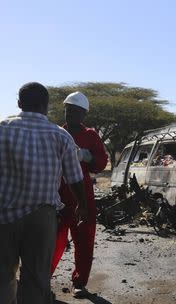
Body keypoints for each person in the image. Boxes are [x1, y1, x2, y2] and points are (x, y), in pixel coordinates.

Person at [0, 82, 87, 304]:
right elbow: (75, 178)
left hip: (4, 216)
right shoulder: (61, 136)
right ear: (46, 106)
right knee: (36, 276)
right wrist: (82, 205)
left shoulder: (2, 129)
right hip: (42, 217)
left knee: (3, 275)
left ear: (19, 104)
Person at [50, 92, 108, 298]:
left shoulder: (91, 136)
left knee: (84, 240)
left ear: (84, 114)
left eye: (76, 111)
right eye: (68, 110)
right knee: (52, 240)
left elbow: (101, 163)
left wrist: (87, 155)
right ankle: (43, 278)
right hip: (57, 194)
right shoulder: (55, 132)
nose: (71, 114)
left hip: (83, 195)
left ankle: (79, 282)